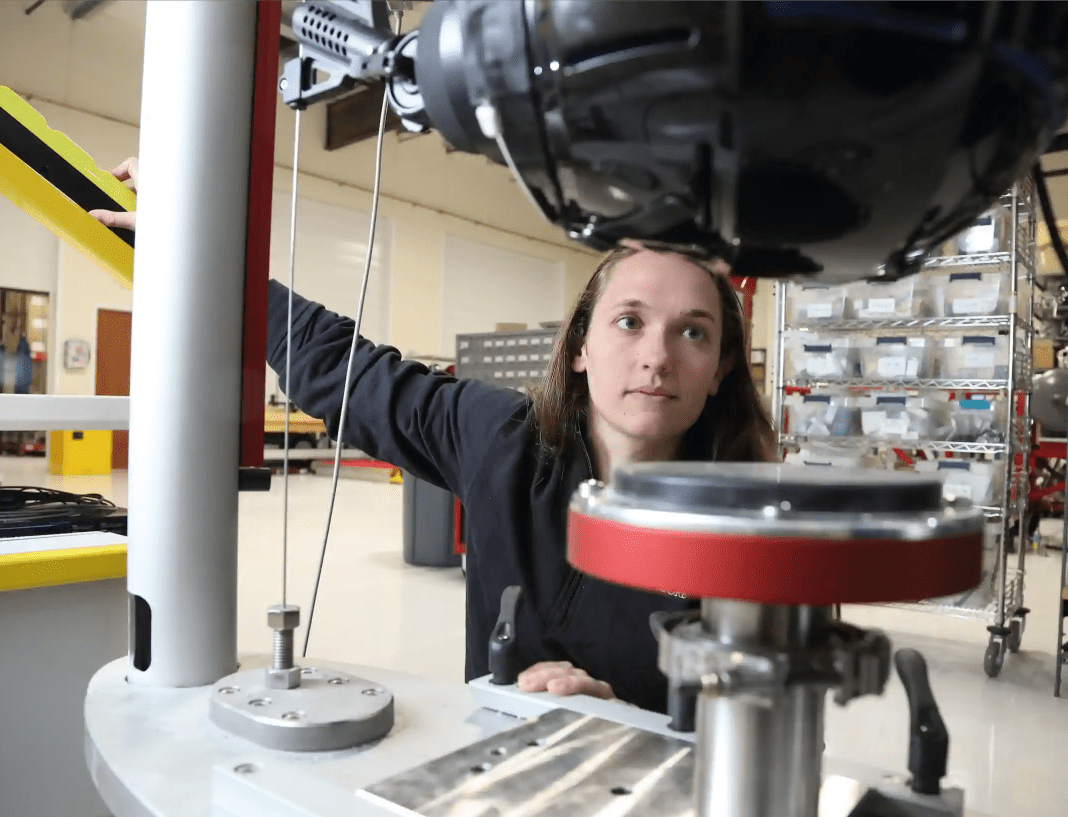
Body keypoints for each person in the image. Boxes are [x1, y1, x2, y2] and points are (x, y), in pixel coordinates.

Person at [91, 158, 776, 712]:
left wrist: (616, 711)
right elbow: (341, 369)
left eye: (693, 331)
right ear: (580, 348)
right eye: (630, 321)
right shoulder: (502, 440)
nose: (658, 357)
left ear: (719, 370)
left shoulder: (752, 533)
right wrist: (206, 260)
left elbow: (762, 729)